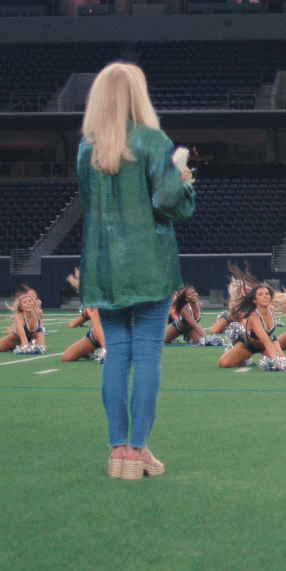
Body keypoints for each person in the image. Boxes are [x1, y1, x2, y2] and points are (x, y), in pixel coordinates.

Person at [77, 61, 196, 481]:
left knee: (118, 353)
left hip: (105, 266)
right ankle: (139, 449)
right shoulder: (152, 140)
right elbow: (169, 202)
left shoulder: (87, 148)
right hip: (149, 265)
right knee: (147, 351)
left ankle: (118, 450)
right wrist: (184, 180)